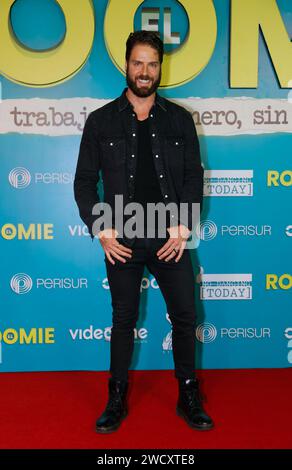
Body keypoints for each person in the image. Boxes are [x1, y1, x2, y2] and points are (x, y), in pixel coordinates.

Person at [74, 30, 214, 433]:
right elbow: (84, 182)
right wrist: (102, 229)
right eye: (138, 63)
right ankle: (115, 397)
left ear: (160, 68)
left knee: (186, 316)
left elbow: (193, 175)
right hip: (123, 237)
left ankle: (188, 394)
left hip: (171, 235)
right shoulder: (101, 121)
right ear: (126, 65)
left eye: (152, 64)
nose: (145, 71)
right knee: (123, 319)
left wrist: (184, 225)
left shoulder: (179, 119)